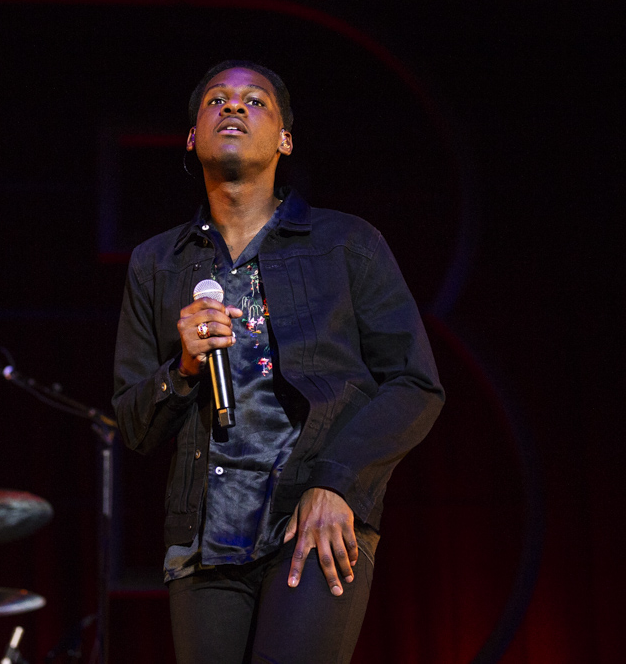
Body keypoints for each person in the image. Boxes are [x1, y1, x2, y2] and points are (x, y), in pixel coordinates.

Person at [111, 60, 445, 663]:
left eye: (254, 101)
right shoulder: (157, 262)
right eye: (216, 99)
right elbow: (134, 423)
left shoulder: (346, 244)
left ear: (285, 140)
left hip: (313, 520)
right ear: (191, 137)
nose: (233, 107)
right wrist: (183, 368)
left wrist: (337, 483)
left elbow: (415, 384)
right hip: (204, 541)